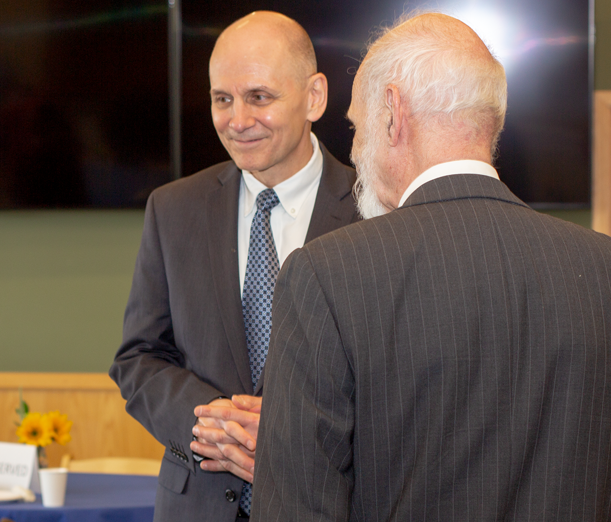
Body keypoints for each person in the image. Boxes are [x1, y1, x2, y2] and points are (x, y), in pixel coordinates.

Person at [252, 12, 611, 520]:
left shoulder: (326, 275)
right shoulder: (602, 269)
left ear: (393, 113)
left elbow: (295, 508)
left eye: (356, 125)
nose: (354, 151)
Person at [109, 11, 359, 521]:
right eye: (222, 99)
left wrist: (294, 430)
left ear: (315, 97)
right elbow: (137, 358)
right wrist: (211, 420)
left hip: (327, 504)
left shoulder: (374, 210)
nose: (237, 120)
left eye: (259, 97)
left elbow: (401, 380)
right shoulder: (173, 209)